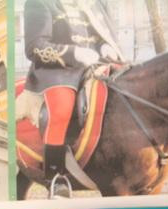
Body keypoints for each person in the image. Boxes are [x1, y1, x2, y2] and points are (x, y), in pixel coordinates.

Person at [23, 0, 124, 186]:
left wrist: (104, 46)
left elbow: (100, 34)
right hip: (58, 70)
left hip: (96, 65)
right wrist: (73, 53)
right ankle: (56, 177)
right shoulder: (40, 3)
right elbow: (34, 46)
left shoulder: (92, 4)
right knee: (61, 110)